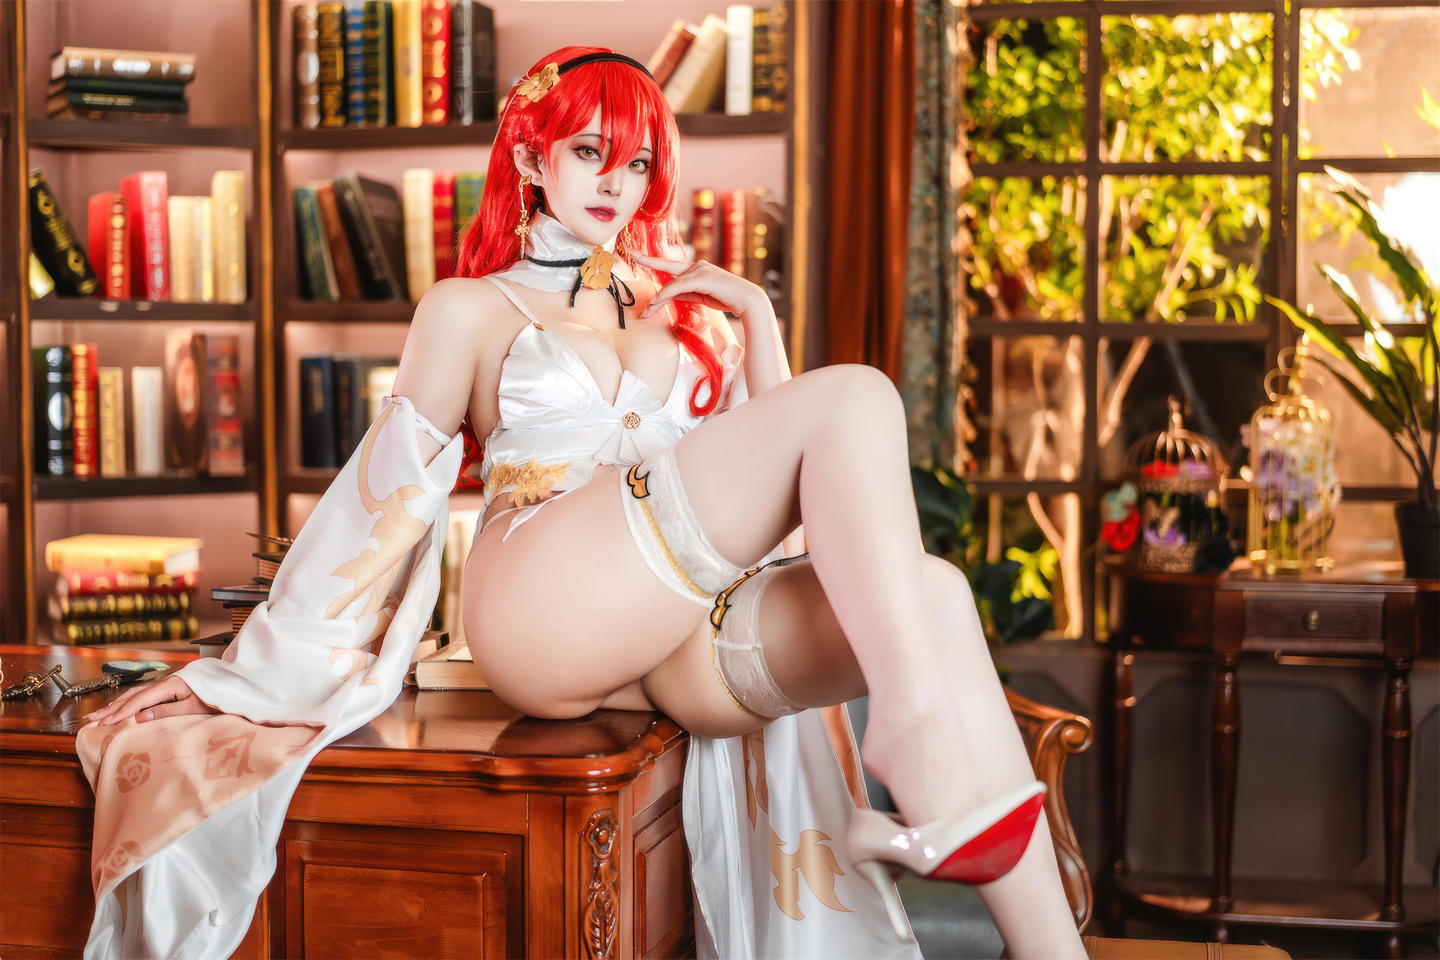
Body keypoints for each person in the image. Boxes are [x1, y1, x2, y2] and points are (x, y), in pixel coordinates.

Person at [80, 46, 1084, 960]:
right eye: (591, 152)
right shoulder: (469, 309)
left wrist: (757, 320)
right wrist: (244, 670)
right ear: (530, 157)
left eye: (639, 162)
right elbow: (382, 498)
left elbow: (797, 504)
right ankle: (905, 731)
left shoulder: (684, 315)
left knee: (938, 592)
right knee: (858, 394)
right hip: (544, 606)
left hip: (670, 628)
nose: (617, 182)